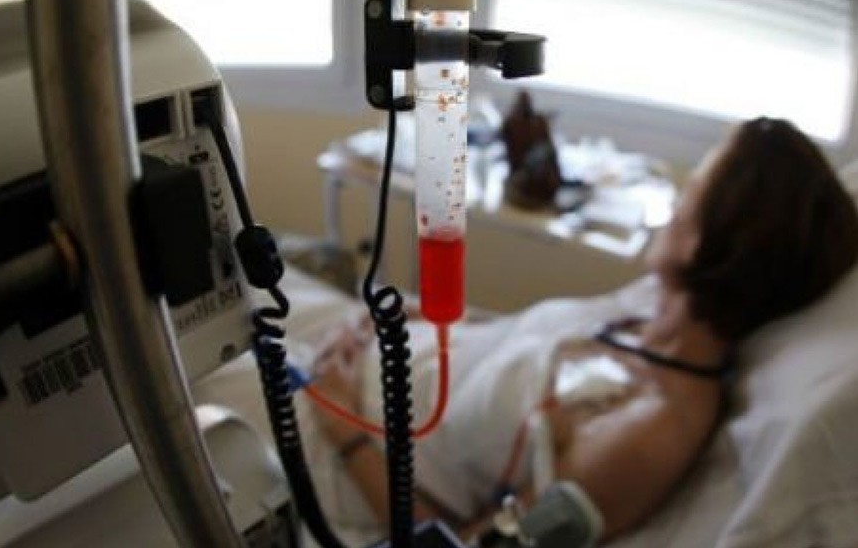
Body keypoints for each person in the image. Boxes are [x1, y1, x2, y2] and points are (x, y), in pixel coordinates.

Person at [308, 117, 858, 544]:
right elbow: (527, 348)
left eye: (692, 191)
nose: (673, 203)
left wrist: (342, 426)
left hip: (341, 451)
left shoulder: (653, 430)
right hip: (373, 353)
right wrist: (431, 316)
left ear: (709, 240)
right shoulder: (652, 311)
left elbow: (468, 546)